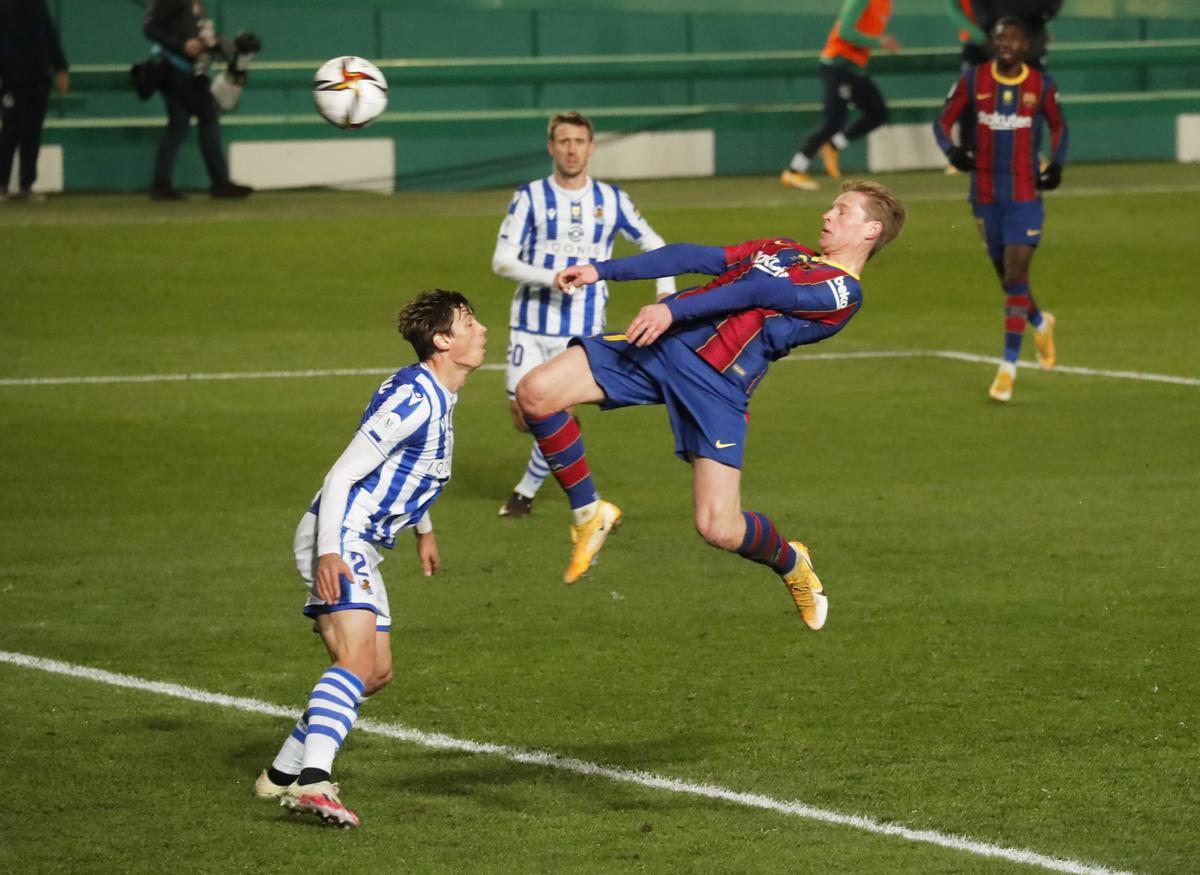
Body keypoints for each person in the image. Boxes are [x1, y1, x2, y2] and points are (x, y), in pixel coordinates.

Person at [514, 180, 905, 631]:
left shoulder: (842, 294)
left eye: (841, 211)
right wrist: (602, 270)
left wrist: (673, 309)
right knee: (536, 394)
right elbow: (694, 257)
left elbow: (760, 293)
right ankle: (589, 512)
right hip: (660, 348)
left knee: (718, 527)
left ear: (871, 230)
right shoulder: (781, 248)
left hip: (717, 386)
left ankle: (792, 562)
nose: (826, 216)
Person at [253, 290, 488, 827]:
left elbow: (411, 470)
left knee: (374, 673)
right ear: (443, 340)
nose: (482, 329)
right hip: (340, 536)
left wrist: (422, 530)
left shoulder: (438, 394)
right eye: (469, 322)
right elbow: (341, 475)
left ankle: (281, 774)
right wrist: (330, 552)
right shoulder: (416, 400)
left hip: (359, 539)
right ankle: (314, 783)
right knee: (355, 662)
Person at [491, 111, 674, 518]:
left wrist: (665, 296)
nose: (571, 150)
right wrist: (550, 277)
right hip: (529, 325)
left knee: (556, 408)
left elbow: (656, 246)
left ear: (591, 147)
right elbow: (502, 261)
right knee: (523, 417)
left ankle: (526, 493)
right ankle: (554, 457)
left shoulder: (612, 200)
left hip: (580, 330)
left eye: (579, 142)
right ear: (551, 148)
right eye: (563, 142)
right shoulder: (529, 197)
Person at [933, 16, 1067, 402]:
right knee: (1009, 279)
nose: (1006, 43)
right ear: (993, 44)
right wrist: (953, 152)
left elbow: (1060, 127)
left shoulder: (1041, 85)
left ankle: (1007, 368)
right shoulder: (974, 80)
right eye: (1000, 37)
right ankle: (1040, 322)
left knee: (1016, 270)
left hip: (1025, 194)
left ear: (1025, 46)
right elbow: (941, 122)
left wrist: (1055, 164)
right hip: (985, 195)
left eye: (1014, 38)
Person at [780, 0, 900, 192]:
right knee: (833, 122)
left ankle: (834, 145)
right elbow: (845, 31)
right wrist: (880, 42)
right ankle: (794, 170)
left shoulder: (886, 4)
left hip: (854, 68)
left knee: (878, 113)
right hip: (838, 65)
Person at [142, 0, 252, 201]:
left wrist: (210, 43)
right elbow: (150, 28)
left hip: (180, 69)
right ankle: (219, 182)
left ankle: (161, 184)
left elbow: (184, 30)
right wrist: (182, 44)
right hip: (173, 68)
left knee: (179, 125)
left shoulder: (193, 5)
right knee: (208, 115)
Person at [0, 0, 68, 202]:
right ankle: (2, 185)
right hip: (12, 79)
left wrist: (60, 67)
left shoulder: (38, 4)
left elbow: (49, 33)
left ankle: (26, 185)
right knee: (11, 131)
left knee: (32, 132)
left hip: (39, 77)